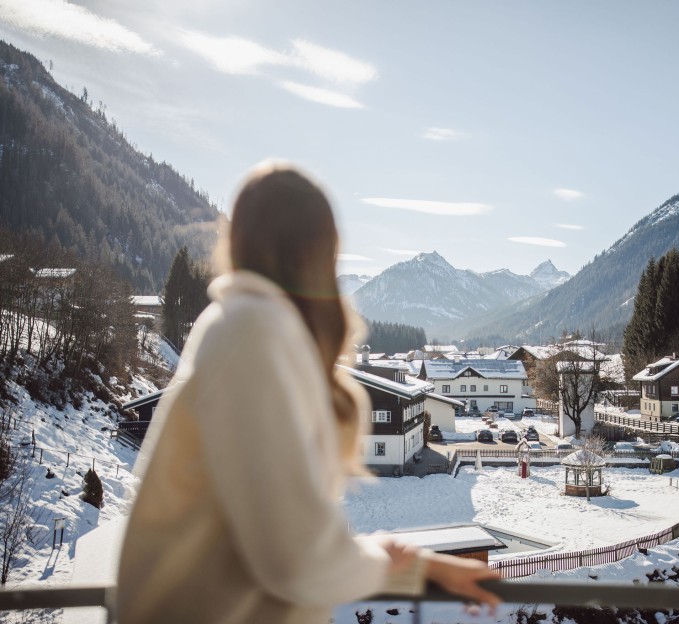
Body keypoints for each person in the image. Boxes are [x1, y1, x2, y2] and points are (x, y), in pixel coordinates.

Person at [117, 161, 500, 623]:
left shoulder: (236, 324)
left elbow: (269, 532)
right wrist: (398, 567)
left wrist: (411, 568)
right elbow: (293, 559)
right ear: (319, 253)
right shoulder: (253, 333)